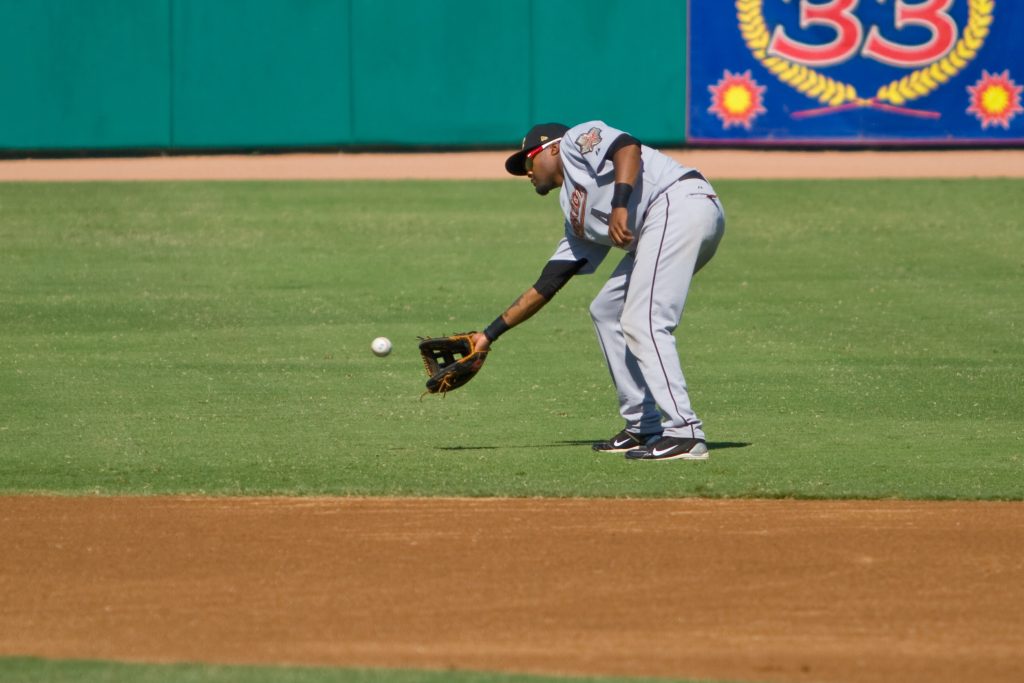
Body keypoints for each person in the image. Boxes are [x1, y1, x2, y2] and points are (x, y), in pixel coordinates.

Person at [471, 121, 725, 461]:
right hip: (665, 222)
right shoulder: (575, 213)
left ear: (553, 149)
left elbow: (627, 147)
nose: (527, 172)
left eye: (529, 161)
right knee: (606, 310)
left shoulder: (577, 139)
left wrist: (620, 204)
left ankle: (685, 433)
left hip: (679, 203)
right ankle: (642, 425)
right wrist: (489, 336)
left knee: (642, 319)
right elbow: (549, 282)